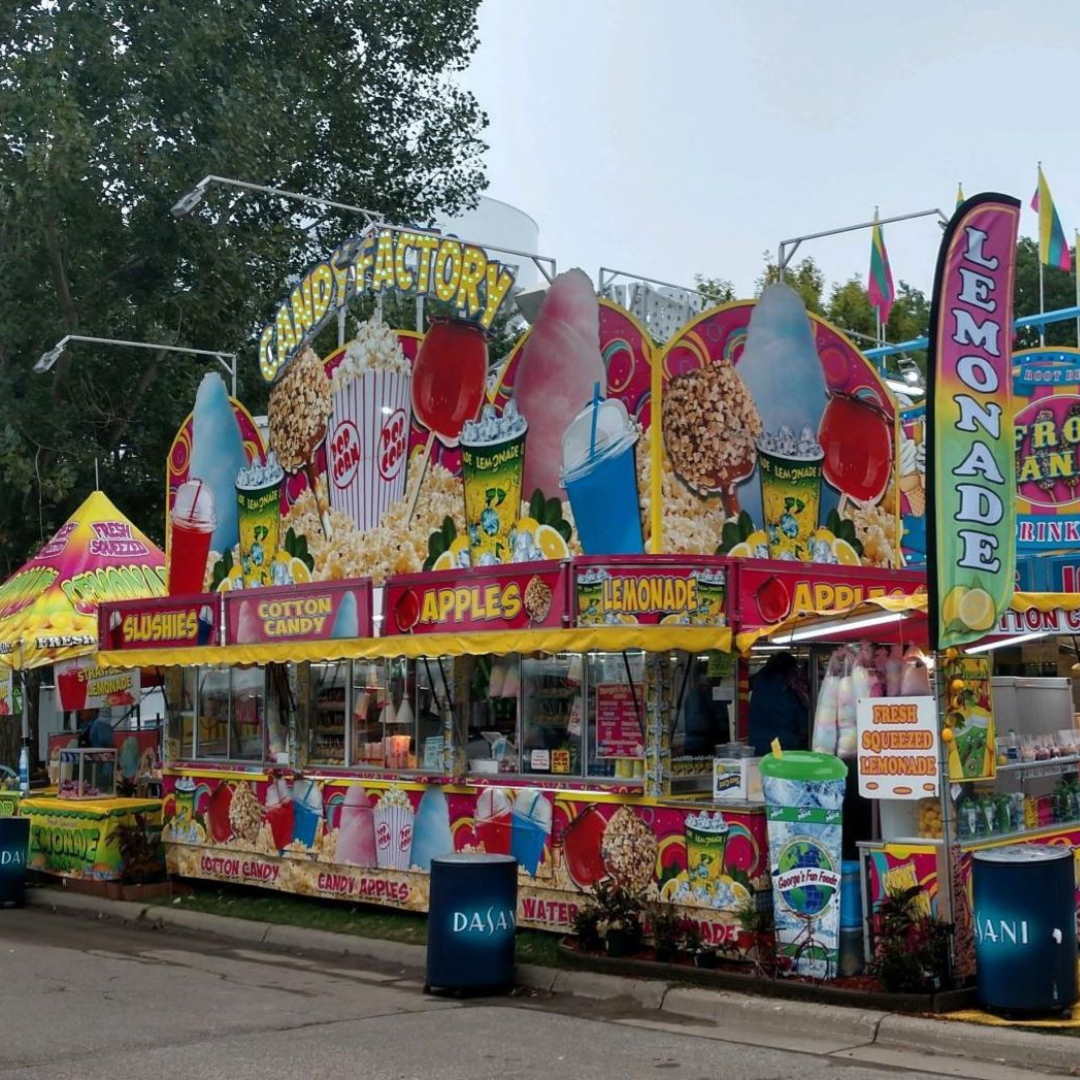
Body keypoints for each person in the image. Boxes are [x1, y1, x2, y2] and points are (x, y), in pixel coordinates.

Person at [747, 652, 809, 755]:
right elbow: (803, 721)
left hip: (756, 743)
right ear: (790, 669)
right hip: (783, 745)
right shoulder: (791, 689)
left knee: (761, 768)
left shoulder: (760, 679)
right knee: (780, 769)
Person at [682, 670, 730, 756]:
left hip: (710, 746)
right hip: (702, 748)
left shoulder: (715, 695)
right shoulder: (696, 696)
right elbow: (697, 726)